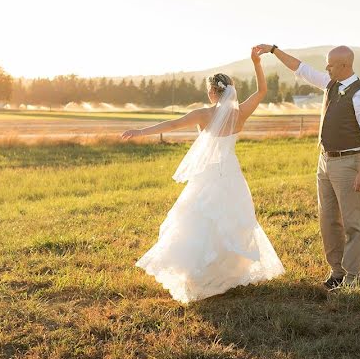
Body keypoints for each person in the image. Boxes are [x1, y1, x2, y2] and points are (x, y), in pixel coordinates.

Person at [121, 47, 284, 303]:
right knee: (231, 220)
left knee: (200, 219)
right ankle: (226, 273)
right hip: (231, 174)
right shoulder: (240, 113)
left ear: (212, 91)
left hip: (208, 175)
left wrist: (140, 131)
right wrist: (256, 63)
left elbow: (172, 125)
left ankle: (198, 273)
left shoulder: (204, 114)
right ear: (230, 90)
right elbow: (262, 90)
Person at [255, 44, 360, 289]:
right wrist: (273, 50)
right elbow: (300, 69)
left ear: (344, 65)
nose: (326, 67)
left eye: (330, 64)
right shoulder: (330, 83)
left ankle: (353, 278)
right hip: (325, 161)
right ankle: (337, 273)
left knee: (352, 223)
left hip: (348, 162)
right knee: (328, 219)